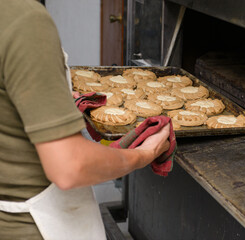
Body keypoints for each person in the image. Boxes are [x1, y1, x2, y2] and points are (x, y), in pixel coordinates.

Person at [0, 0, 170, 239]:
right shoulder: (25, 19)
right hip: (36, 226)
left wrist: (47, 100)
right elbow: (70, 167)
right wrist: (144, 155)